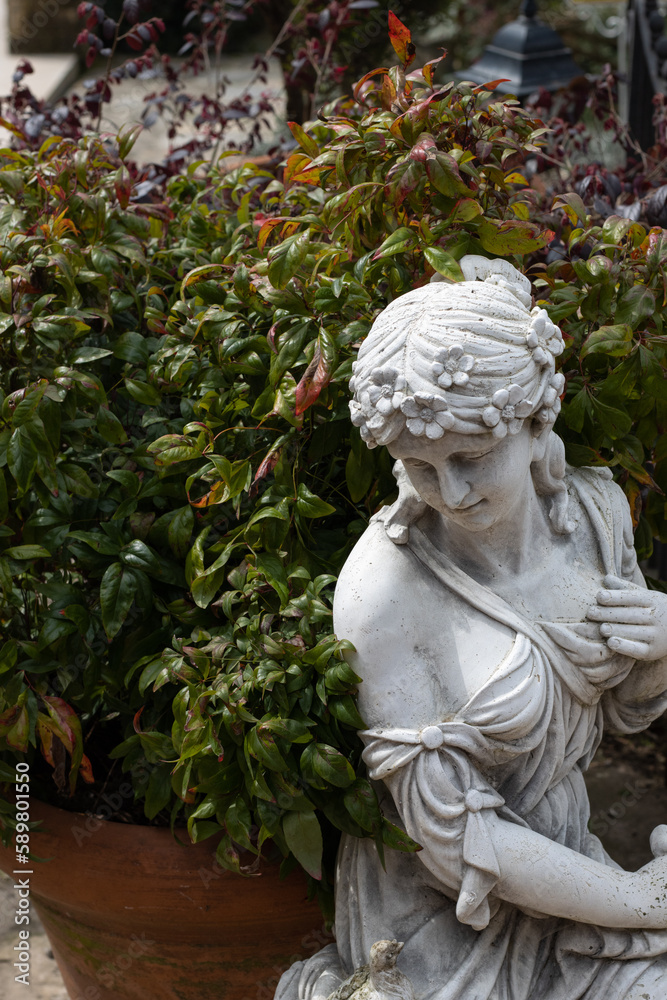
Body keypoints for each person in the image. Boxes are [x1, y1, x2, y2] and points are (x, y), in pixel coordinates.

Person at [275, 256, 667, 1000]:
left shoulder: (591, 516)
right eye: (418, 465)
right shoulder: (381, 590)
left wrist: (661, 645)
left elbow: (627, 710)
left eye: (469, 457)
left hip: (564, 874)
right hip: (440, 928)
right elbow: (457, 842)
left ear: (534, 420)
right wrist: (639, 902)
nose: (447, 493)